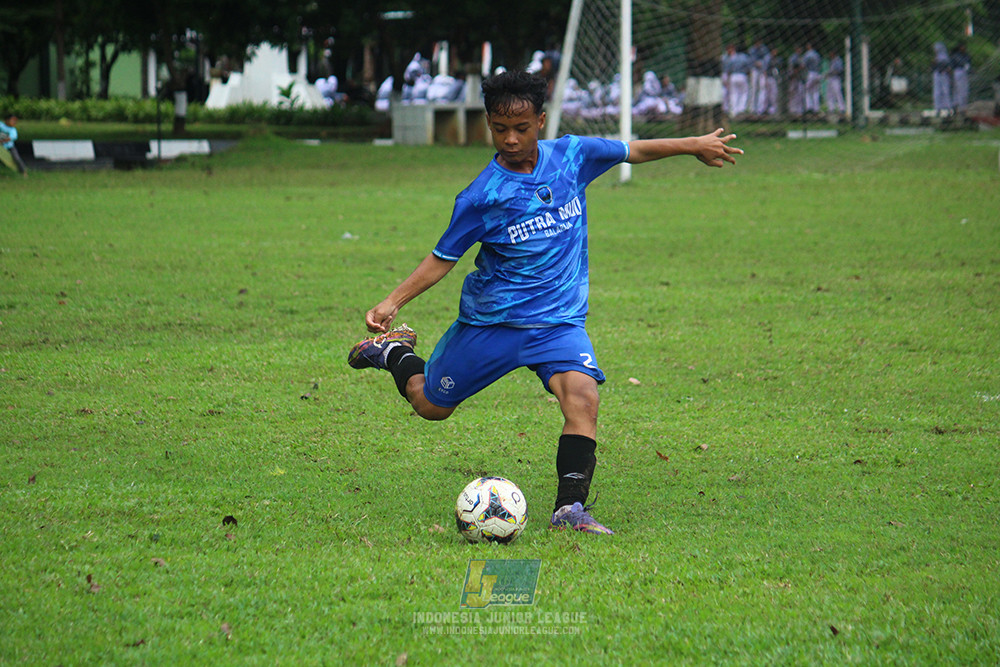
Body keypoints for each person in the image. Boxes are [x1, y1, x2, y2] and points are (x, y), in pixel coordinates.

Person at [346, 71, 742, 535]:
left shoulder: (573, 156)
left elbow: (632, 150)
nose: (510, 139)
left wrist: (694, 143)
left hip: (558, 323)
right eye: (499, 129)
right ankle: (395, 353)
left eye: (522, 128)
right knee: (430, 405)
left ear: (541, 119)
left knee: (583, 398)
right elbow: (442, 258)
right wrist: (392, 301)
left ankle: (569, 511)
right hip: (492, 324)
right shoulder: (482, 197)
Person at [932, 42, 952, 115]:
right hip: (937, 74)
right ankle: (937, 108)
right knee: (937, 92)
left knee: (945, 91)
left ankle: (947, 107)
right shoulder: (936, 57)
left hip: (943, 74)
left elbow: (946, 66)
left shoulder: (944, 56)